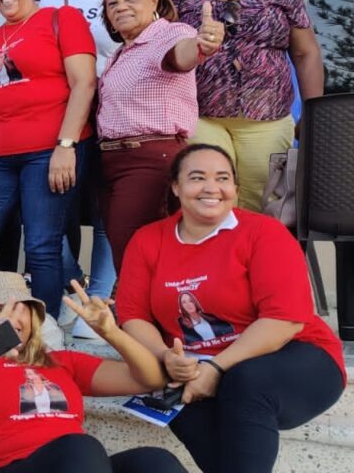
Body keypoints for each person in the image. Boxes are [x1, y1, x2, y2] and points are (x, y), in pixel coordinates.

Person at [116, 144, 345, 473]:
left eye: (223, 178)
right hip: (203, 365)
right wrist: (165, 356)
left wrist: (217, 368)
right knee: (180, 399)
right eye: (198, 178)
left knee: (245, 381)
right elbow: (133, 315)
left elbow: (285, 321)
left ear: (235, 189)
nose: (212, 187)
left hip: (297, 356)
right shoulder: (148, 240)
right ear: (176, 187)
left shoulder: (264, 232)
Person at [0, 271, 186, 473]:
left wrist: (111, 333)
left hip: (77, 462)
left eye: (19, 308)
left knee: (155, 461)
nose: (11, 317)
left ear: (32, 316)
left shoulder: (62, 361)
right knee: (81, 448)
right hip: (17, 465)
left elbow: (152, 378)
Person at [0, 0, 96, 319]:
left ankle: (45, 332)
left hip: (49, 149)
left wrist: (66, 145)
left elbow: (84, 83)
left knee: (40, 245)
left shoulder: (60, 18)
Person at [172, 0, 324, 212]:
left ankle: (256, 259)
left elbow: (306, 54)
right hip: (203, 117)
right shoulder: (183, 3)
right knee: (211, 199)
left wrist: (313, 114)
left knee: (264, 203)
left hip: (267, 119)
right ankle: (217, 258)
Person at [97, 0, 223, 267]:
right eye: (112, 3)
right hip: (112, 163)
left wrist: (203, 45)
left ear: (154, 0)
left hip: (151, 158)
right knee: (134, 253)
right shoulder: (121, 53)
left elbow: (181, 56)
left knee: (133, 255)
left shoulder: (169, 33)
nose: (120, 7)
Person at [38, 0, 128, 339]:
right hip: (65, 122)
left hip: (117, 119)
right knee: (45, 213)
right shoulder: (53, 1)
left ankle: (102, 300)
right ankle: (76, 287)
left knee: (109, 216)